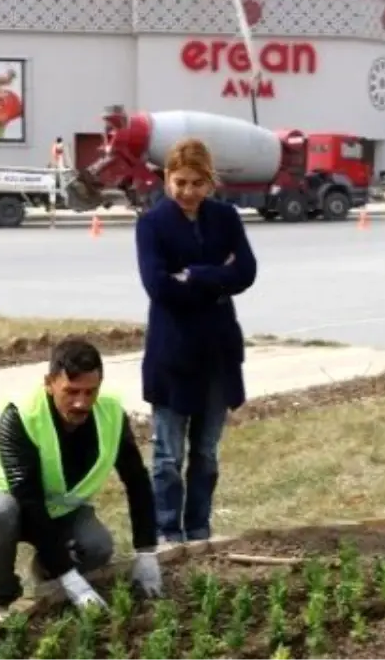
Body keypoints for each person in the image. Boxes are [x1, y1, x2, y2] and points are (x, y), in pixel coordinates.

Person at [0, 337, 162, 624]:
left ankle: (48, 575)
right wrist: (71, 578)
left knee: (98, 546)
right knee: (1, 511)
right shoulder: (20, 416)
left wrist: (146, 551)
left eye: (90, 392)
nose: (81, 402)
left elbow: (136, 480)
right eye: (71, 391)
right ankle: (3, 599)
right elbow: (29, 500)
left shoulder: (110, 414)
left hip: (62, 510)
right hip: (13, 504)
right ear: (49, 382)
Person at [133, 137, 258, 544]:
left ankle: (199, 529)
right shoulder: (152, 224)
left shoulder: (226, 218)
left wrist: (194, 275)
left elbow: (247, 272)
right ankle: (168, 533)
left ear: (210, 182)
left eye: (196, 183)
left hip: (218, 354)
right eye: (180, 182)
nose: (187, 192)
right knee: (168, 457)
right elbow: (158, 287)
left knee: (205, 454)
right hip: (173, 354)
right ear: (167, 178)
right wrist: (217, 277)